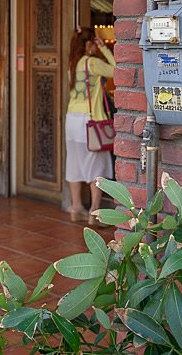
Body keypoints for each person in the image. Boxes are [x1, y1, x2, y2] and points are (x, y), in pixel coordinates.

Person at [64, 26, 115, 225]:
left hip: (72, 119)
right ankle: (95, 212)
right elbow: (117, 69)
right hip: (89, 121)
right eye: (93, 42)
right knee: (97, 165)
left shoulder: (72, 64)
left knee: (75, 163)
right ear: (87, 44)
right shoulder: (92, 63)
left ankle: (76, 207)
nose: (95, 45)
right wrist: (104, 50)